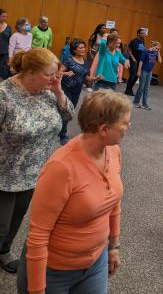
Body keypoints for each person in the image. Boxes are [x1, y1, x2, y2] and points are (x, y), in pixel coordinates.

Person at [17, 90, 132, 294]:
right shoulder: (61, 167)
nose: (128, 127)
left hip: (96, 262)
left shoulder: (112, 150)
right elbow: (38, 234)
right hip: (54, 271)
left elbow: (113, 202)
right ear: (104, 129)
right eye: (124, 123)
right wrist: (36, 290)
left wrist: (114, 246)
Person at [0, 49, 74, 274]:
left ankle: (4, 251)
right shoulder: (4, 95)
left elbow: (68, 115)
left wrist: (59, 91)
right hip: (4, 176)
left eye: (57, 74)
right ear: (29, 72)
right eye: (50, 74)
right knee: (0, 225)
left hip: (34, 172)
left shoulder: (49, 90)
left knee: (16, 219)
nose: (55, 78)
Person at [59, 39, 93, 145]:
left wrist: (95, 78)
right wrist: (66, 73)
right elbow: (58, 72)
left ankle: (59, 128)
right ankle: (63, 134)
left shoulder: (85, 61)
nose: (83, 49)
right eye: (80, 47)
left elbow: (86, 77)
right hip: (66, 88)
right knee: (67, 111)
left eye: (84, 47)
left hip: (77, 91)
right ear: (74, 49)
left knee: (70, 112)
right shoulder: (69, 60)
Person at [134, 41, 162, 110]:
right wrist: (139, 71)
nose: (157, 50)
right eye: (156, 48)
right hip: (143, 71)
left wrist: (158, 53)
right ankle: (136, 102)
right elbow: (141, 61)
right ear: (153, 46)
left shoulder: (155, 53)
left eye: (158, 49)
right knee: (141, 87)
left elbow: (160, 61)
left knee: (147, 88)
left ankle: (144, 104)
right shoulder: (146, 52)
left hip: (149, 72)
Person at [125, 28, 147, 96]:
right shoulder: (133, 41)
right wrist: (132, 57)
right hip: (133, 60)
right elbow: (129, 49)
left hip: (140, 61)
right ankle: (127, 90)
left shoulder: (143, 41)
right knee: (132, 75)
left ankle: (130, 88)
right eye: (142, 33)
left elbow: (142, 49)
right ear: (138, 34)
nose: (144, 34)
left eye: (144, 33)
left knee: (136, 76)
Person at [0, 8, 12, 80]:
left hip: (4, 52)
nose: (5, 18)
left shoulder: (8, 27)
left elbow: (11, 40)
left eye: (6, 16)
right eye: (3, 16)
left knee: (3, 69)